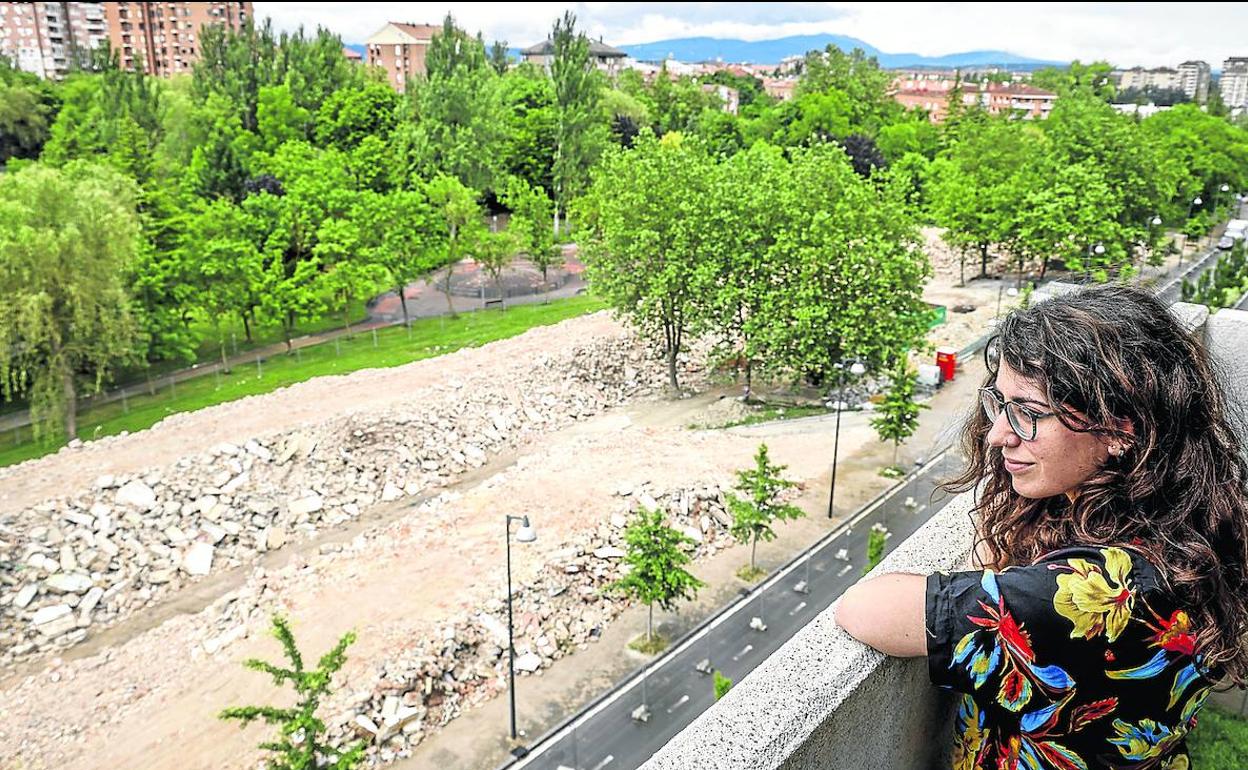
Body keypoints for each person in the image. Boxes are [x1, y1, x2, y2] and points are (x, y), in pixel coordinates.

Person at [836, 285, 1248, 769]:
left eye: (1029, 414)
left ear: (1119, 429)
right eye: (999, 404)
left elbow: (865, 609)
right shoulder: (1193, 518)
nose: (996, 434)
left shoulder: (1087, 593)